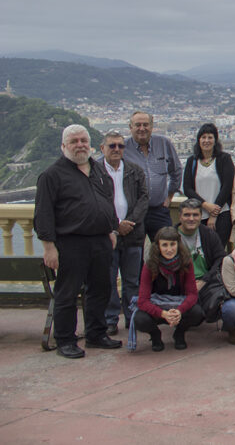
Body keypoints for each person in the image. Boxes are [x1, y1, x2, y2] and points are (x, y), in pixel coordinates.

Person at [34, 124, 121, 358]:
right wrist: (49, 247)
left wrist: (111, 230)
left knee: (100, 289)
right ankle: (65, 340)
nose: (80, 145)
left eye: (83, 140)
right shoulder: (52, 175)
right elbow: (43, 214)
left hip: (100, 240)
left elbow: (108, 201)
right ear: (64, 146)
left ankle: (96, 334)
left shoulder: (98, 170)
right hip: (70, 242)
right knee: (67, 293)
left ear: (90, 144)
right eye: (74, 141)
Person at [100, 131, 149, 336]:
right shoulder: (95, 172)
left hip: (133, 234)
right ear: (102, 148)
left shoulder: (134, 170)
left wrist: (130, 222)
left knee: (132, 280)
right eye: (112, 146)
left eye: (120, 146)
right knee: (108, 280)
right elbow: (94, 202)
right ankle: (111, 319)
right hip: (106, 234)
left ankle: (132, 317)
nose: (116, 149)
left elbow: (144, 198)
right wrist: (116, 224)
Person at [133, 227, 204, 351]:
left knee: (198, 313)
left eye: (172, 244)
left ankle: (180, 333)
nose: (169, 249)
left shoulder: (186, 262)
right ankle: (155, 335)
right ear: (158, 247)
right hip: (157, 305)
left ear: (178, 245)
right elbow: (143, 301)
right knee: (139, 319)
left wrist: (179, 311)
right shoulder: (150, 265)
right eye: (164, 245)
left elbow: (192, 294)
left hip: (178, 305)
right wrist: (163, 314)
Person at [122, 111, 182, 243]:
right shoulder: (122, 147)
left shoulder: (164, 143)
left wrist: (170, 195)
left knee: (167, 246)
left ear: (152, 126)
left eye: (145, 125)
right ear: (130, 127)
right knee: (135, 250)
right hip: (134, 212)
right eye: (138, 125)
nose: (142, 128)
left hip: (159, 210)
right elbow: (102, 164)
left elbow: (176, 170)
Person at [183, 123, 235, 246]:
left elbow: (227, 187)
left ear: (215, 140)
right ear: (198, 140)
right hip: (198, 214)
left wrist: (214, 212)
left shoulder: (224, 159)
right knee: (200, 249)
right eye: (203, 137)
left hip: (222, 213)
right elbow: (187, 188)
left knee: (218, 248)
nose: (206, 141)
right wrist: (205, 205)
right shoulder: (192, 161)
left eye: (210, 137)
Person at [177, 198, 228, 294]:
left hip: (206, 283)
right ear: (180, 217)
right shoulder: (171, 236)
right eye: (187, 215)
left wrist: (204, 280)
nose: (191, 219)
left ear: (201, 216)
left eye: (195, 215)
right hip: (179, 285)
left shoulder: (209, 234)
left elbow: (220, 259)